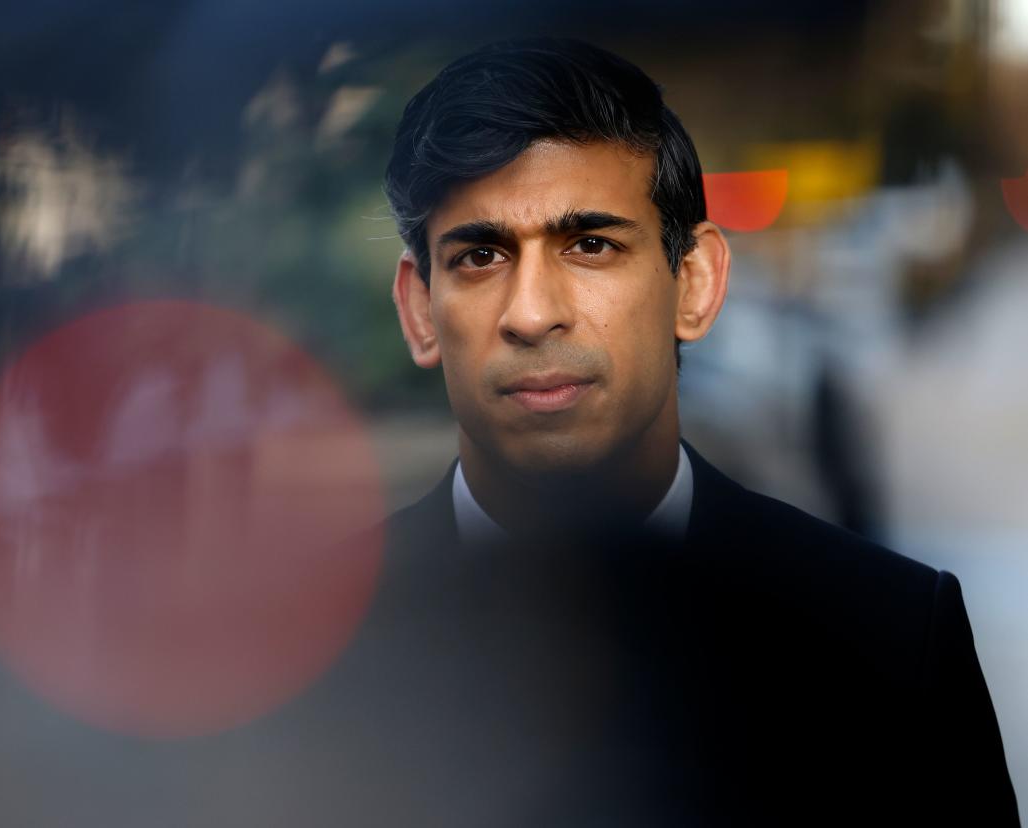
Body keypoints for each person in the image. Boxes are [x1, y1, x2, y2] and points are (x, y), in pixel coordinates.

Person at [350, 37, 1020, 826]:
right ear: (419, 310)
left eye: (590, 245)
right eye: (479, 256)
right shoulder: (293, 653)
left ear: (694, 285)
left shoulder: (890, 637)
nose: (531, 314)